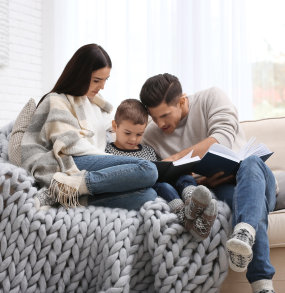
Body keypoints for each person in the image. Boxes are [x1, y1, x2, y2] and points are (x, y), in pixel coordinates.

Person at [139, 73, 277, 293]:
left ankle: (250, 250)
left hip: (254, 179)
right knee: (240, 205)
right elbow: (154, 174)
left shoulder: (211, 97)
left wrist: (175, 159)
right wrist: (199, 178)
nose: (159, 123)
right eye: (154, 118)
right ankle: (262, 284)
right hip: (220, 189)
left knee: (250, 162)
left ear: (182, 101)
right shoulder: (150, 135)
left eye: (164, 115)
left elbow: (221, 138)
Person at [20, 44, 158, 211]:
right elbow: (70, 145)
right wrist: (112, 161)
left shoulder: (95, 105)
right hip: (71, 160)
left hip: (89, 163)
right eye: (96, 80)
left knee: (149, 195)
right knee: (148, 169)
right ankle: (67, 186)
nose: (102, 87)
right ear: (80, 76)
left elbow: (119, 127)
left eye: (106, 79)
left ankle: (67, 196)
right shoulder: (57, 100)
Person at [105, 98, 218, 241]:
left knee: (184, 177)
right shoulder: (108, 152)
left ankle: (193, 203)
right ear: (115, 126)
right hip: (146, 188)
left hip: (163, 181)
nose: (133, 139)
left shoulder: (148, 151)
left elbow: (161, 169)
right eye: (127, 133)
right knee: (163, 186)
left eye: (139, 134)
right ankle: (186, 217)